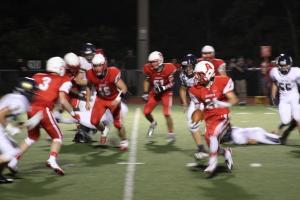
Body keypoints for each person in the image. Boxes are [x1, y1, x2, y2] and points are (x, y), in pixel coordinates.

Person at [7, 57, 80, 176]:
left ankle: (13, 161)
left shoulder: (37, 76)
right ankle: (52, 159)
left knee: (32, 136)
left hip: (31, 108)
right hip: (44, 109)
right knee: (58, 137)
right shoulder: (64, 79)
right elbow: (62, 100)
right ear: (60, 67)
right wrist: (73, 113)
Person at [189, 61, 239, 174]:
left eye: (200, 74)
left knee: (212, 135)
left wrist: (220, 103)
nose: (197, 77)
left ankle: (212, 162)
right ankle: (225, 153)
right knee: (210, 139)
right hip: (209, 117)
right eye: (197, 75)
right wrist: (196, 120)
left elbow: (234, 100)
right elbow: (198, 108)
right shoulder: (195, 89)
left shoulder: (222, 81)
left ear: (208, 73)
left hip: (222, 115)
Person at [85, 54, 129, 150]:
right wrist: (88, 101)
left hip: (113, 99)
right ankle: (104, 129)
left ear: (104, 65)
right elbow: (88, 86)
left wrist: (117, 99)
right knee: (94, 121)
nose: (97, 68)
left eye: (99, 65)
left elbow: (124, 88)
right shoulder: (90, 73)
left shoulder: (112, 72)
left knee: (118, 124)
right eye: (95, 66)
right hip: (100, 99)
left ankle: (124, 141)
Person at [0, 78, 39, 183]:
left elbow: (13, 122)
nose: (34, 93)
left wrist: (29, 123)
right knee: (10, 153)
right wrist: (9, 128)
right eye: (32, 91)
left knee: (15, 149)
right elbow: (0, 115)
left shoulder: (14, 97)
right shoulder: (20, 101)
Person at [142, 51, 177, 142]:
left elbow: (172, 83)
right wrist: (145, 92)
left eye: (154, 62)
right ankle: (153, 123)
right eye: (151, 62)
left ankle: (171, 134)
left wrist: (163, 87)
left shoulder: (169, 68)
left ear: (160, 61)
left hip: (166, 92)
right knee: (146, 112)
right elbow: (147, 80)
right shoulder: (149, 69)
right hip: (155, 92)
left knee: (166, 113)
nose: (152, 64)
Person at [179, 54, 208, 159]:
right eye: (186, 67)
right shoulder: (183, 75)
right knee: (191, 125)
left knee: (212, 123)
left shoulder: (201, 71)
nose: (188, 69)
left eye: (190, 66)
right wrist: (184, 102)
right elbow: (183, 89)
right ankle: (202, 149)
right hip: (195, 101)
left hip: (206, 100)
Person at [269, 54, 300, 141]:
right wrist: (273, 95)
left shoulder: (296, 72)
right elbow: (275, 83)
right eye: (282, 65)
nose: (284, 67)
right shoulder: (274, 72)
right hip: (283, 97)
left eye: (285, 65)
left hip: (294, 96)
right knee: (285, 120)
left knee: (298, 117)